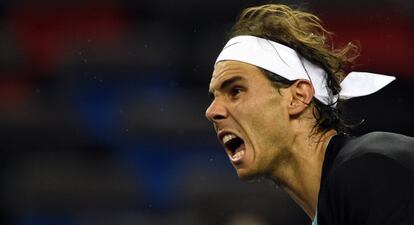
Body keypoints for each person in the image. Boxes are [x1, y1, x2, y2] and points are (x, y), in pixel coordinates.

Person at [205, 4, 414, 225]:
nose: (211, 112)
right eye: (214, 98)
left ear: (298, 97)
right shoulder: (346, 192)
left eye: (236, 90)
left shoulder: (372, 167)